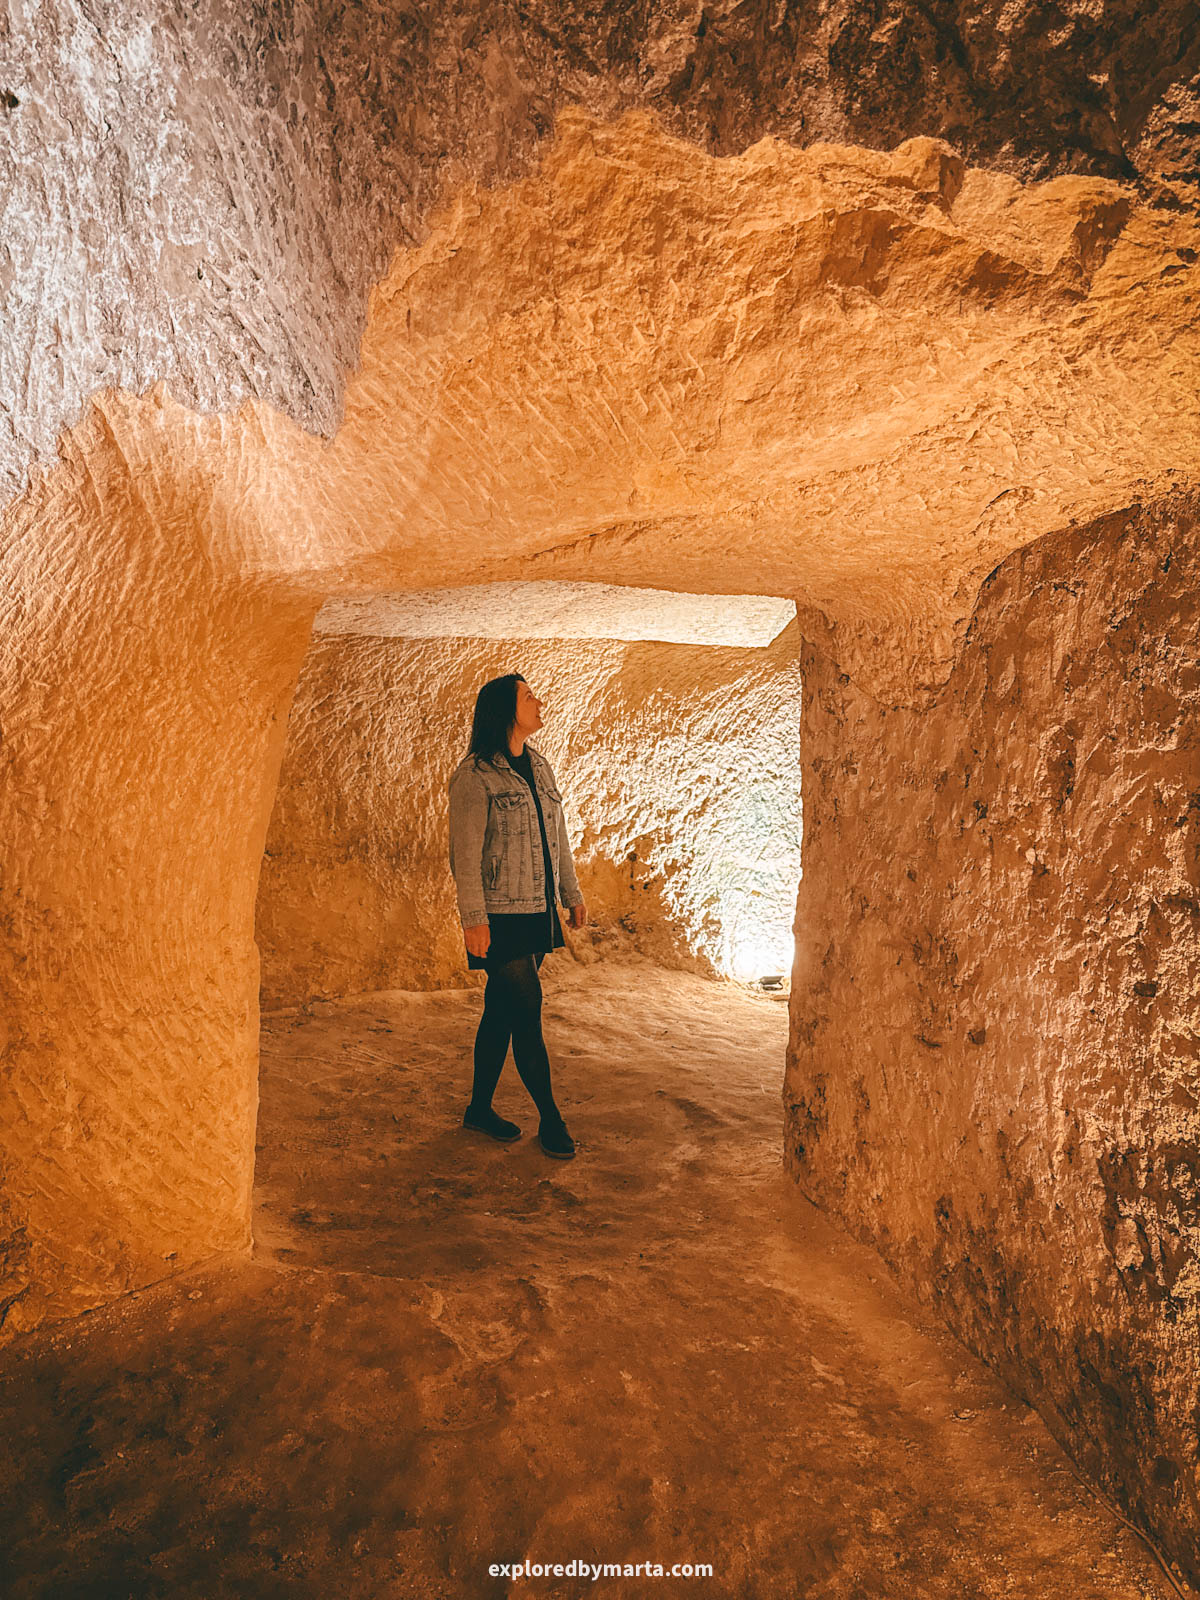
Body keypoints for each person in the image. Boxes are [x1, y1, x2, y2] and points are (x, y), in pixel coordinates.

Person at [447, 673, 588, 1159]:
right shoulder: (475, 776)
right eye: (529, 696)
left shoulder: (540, 766)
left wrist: (570, 893)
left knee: (501, 1012)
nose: (539, 701)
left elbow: (557, 838)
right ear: (506, 710)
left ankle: (478, 1110)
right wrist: (473, 919)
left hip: (537, 907)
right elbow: (465, 855)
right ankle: (551, 1118)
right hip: (499, 914)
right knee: (527, 1011)